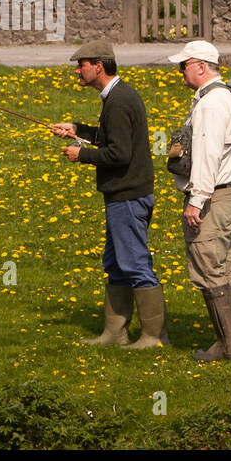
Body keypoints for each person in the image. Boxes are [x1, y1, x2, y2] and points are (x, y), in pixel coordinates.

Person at [50, 40, 168, 349]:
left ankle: (154, 337)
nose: (77, 71)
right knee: (116, 263)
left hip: (128, 196)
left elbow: (120, 153)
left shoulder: (118, 100)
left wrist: (82, 155)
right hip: (122, 195)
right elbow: (112, 137)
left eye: (82, 65)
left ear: (98, 67)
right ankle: (114, 334)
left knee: (135, 263)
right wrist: (77, 129)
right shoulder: (117, 96)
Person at [168, 40, 231, 361]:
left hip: (214, 196)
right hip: (229, 194)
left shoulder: (211, 104)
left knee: (209, 269)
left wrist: (196, 200)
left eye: (183, 65)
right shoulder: (223, 96)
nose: (180, 72)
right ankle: (230, 343)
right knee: (226, 267)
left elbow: (207, 155)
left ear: (201, 67)